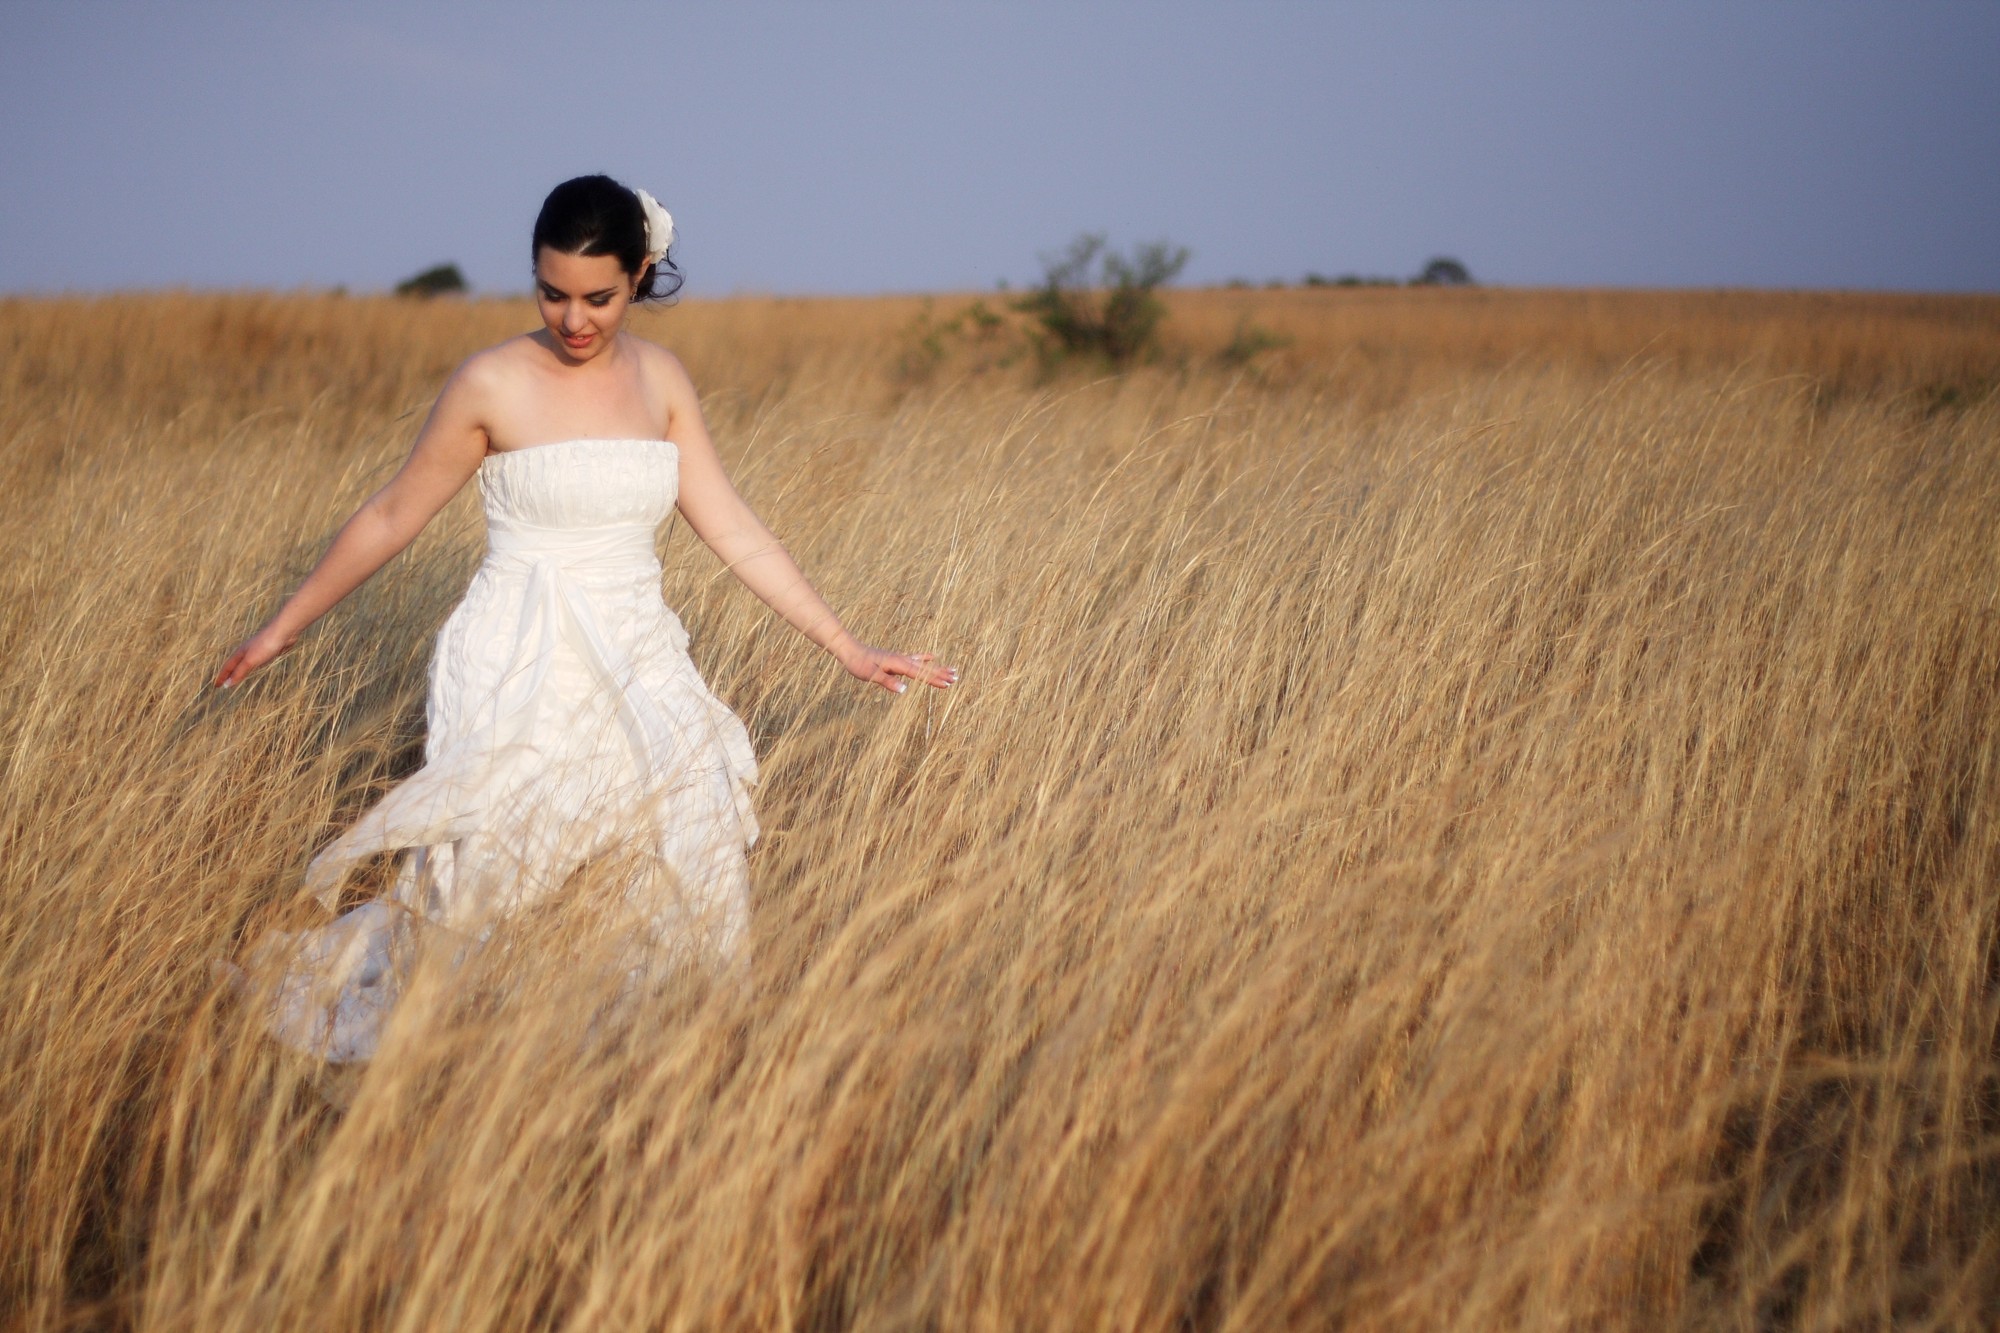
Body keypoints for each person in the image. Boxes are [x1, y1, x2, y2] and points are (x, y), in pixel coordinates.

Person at [215, 174, 956, 1061]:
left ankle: (652, 1061)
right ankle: (461, 1053)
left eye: (598, 297)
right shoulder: (490, 383)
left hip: (642, 653)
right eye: (552, 292)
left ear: (640, 274)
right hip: (520, 654)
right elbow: (390, 514)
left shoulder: (662, 379)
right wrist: (283, 626)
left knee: (692, 835)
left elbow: (732, 525)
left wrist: (846, 644)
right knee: (494, 875)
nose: (573, 319)